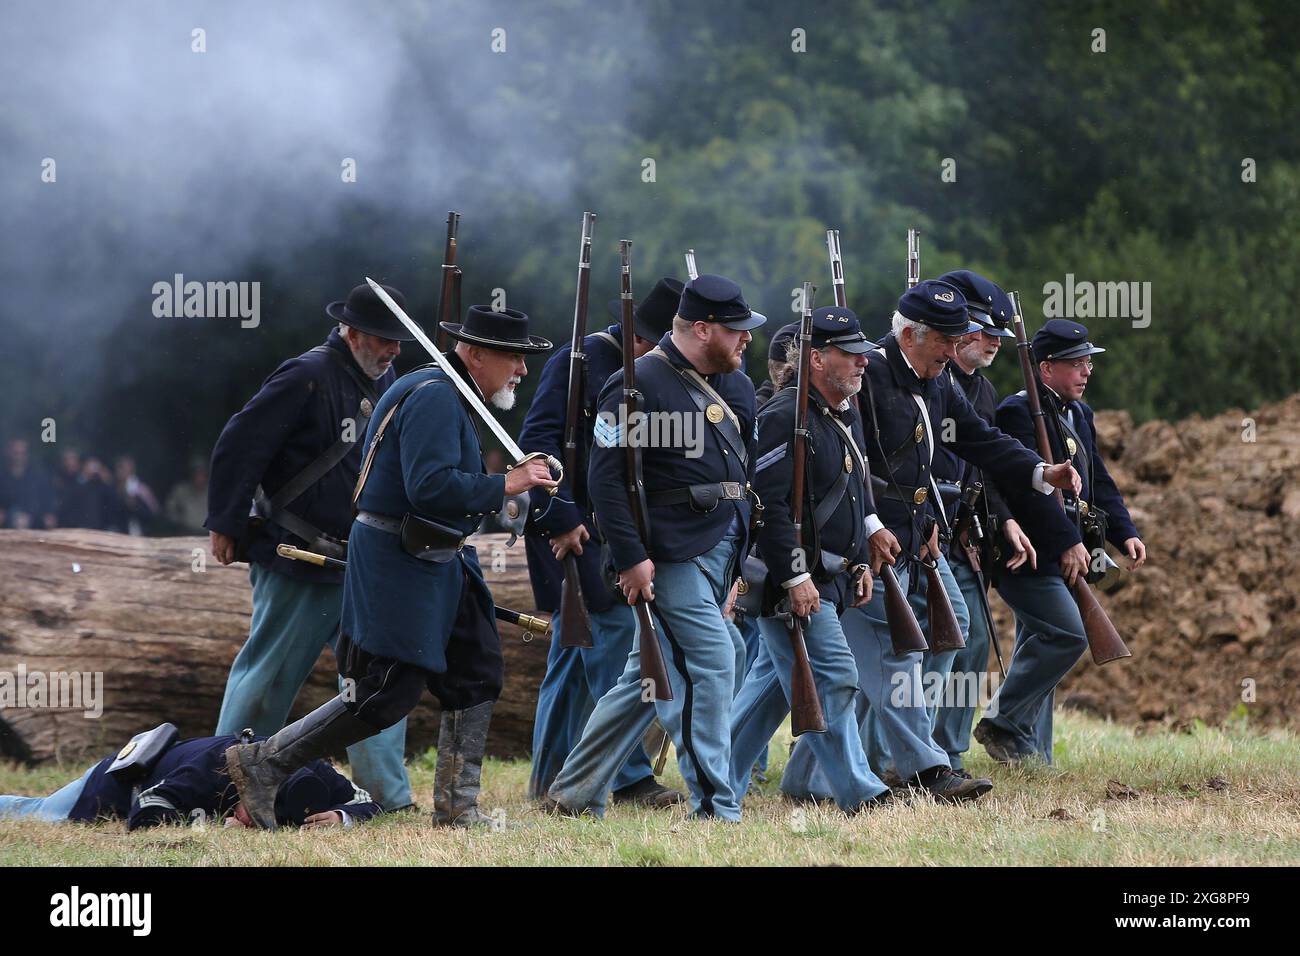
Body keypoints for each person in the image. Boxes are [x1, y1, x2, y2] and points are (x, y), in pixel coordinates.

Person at [223, 303, 558, 829]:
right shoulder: (435, 397)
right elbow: (431, 487)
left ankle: (457, 810)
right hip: (403, 561)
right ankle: (262, 765)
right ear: (473, 353)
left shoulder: (448, 393)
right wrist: (506, 484)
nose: (521, 370)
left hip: (442, 559)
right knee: (385, 692)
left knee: (476, 673)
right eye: (513, 358)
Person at [782, 279, 1082, 803]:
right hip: (867, 543)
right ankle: (926, 767)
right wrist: (872, 527)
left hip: (919, 538)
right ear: (913, 334)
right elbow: (846, 467)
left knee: (943, 633)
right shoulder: (868, 378)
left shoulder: (936, 380)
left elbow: (981, 440)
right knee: (891, 656)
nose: (953, 349)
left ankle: (811, 776)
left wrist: (1040, 471)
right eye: (944, 339)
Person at [544, 274, 764, 821]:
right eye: (737, 330)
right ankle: (716, 805)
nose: (747, 340)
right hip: (664, 554)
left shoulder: (732, 385)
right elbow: (607, 482)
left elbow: (743, 475)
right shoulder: (632, 386)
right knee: (715, 661)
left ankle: (573, 792)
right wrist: (629, 557)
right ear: (702, 327)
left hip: (719, 549)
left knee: (644, 681)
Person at [204, 282, 413, 810]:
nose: (392, 350)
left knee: (376, 680)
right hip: (297, 555)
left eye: (397, 341)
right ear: (353, 332)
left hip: (361, 562)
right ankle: (221, 787)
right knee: (269, 678)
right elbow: (240, 442)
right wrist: (226, 522)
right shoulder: (307, 374)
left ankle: (387, 798)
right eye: (384, 339)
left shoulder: (386, 378)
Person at [522, 277, 684, 807]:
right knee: (614, 647)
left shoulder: (653, 371)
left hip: (614, 532)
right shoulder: (581, 359)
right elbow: (537, 444)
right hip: (571, 531)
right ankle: (628, 778)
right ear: (644, 338)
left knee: (573, 660)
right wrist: (562, 516)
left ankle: (548, 779)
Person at [728, 306, 893, 813]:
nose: (864, 363)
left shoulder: (840, 412)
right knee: (836, 675)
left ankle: (713, 783)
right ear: (817, 359)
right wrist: (795, 574)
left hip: (832, 574)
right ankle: (859, 791)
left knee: (770, 695)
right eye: (851, 354)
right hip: (793, 579)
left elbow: (855, 490)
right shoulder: (783, 417)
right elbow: (770, 507)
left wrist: (866, 547)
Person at [976, 319, 1146, 764]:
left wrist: (1123, 533)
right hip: (1028, 552)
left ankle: (1034, 755)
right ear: (1045, 368)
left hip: (1066, 549)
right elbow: (1022, 491)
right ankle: (1005, 721)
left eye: (1088, 362)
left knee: (1041, 644)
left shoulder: (1079, 414)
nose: (1086, 371)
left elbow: (1098, 481)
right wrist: (1067, 540)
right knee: (1067, 635)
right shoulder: (1017, 412)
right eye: (1076, 363)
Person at [927, 271, 1037, 771]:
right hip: (917, 526)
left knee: (967, 639)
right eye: (983, 330)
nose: (994, 341)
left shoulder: (983, 391)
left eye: (998, 333)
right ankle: (902, 751)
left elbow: (988, 464)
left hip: (961, 532)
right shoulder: (930, 382)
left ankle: (946, 751)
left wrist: (1006, 519)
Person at [0, 732, 382, 830]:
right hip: (116, 785)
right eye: (257, 810)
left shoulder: (314, 775)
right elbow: (146, 812)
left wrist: (340, 816)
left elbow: (370, 802)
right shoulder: (212, 769)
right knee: (35, 811)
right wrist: (210, 826)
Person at [0, 439, 56, 530]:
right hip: (6, 525)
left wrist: (48, 515)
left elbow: (47, 500)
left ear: (27, 455)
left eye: (22, 453)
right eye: (16, 453)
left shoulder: (38, 476)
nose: (19, 457)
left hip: (34, 523)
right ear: (9, 453)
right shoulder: (2, 476)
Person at [164, 458, 210, 532]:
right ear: (192, 475)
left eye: (202, 474)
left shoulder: (212, 491)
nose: (199, 478)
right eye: (197, 474)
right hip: (187, 532)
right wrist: (180, 521)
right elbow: (170, 510)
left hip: (207, 534)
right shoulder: (181, 490)